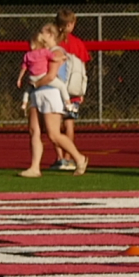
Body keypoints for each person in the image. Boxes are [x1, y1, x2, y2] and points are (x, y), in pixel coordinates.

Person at [17, 23, 87, 177]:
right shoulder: (40, 52)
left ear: (50, 34)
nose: (40, 35)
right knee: (34, 130)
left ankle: (79, 158)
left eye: (42, 32)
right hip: (37, 93)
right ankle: (35, 167)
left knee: (53, 134)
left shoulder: (56, 52)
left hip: (50, 94)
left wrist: (35, 84)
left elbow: (50, 76)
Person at [55, 9, 92, 166]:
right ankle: (68, 157)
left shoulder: (53, 42)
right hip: (72, 91)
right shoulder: (77, 43)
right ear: (70, 24)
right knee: (69, 124)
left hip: (55, 90)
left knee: (55, 126)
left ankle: (60, 158)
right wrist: (81, 90)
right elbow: (83, 68)